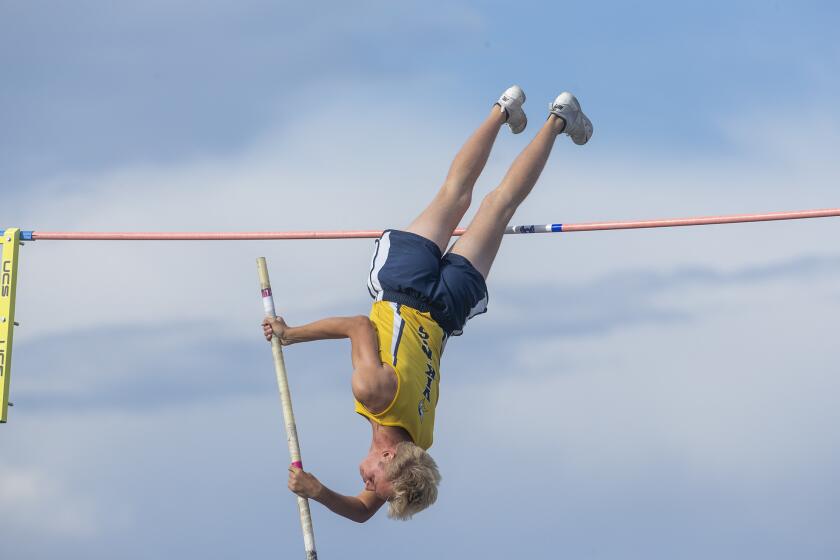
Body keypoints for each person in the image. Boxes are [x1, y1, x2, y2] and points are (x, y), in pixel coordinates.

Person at [262, 85, 592, 521]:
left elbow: (362, 512)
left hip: (445, 308)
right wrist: (290, 336)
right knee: (461, 194)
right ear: (386, 461)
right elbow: (359, 326)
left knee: (488, 202)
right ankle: (524, 114)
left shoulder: (420, 441)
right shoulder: (372, 393)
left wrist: (319, 491)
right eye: (377, 485)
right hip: (404, 284)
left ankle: (548, 117)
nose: (370, 490)